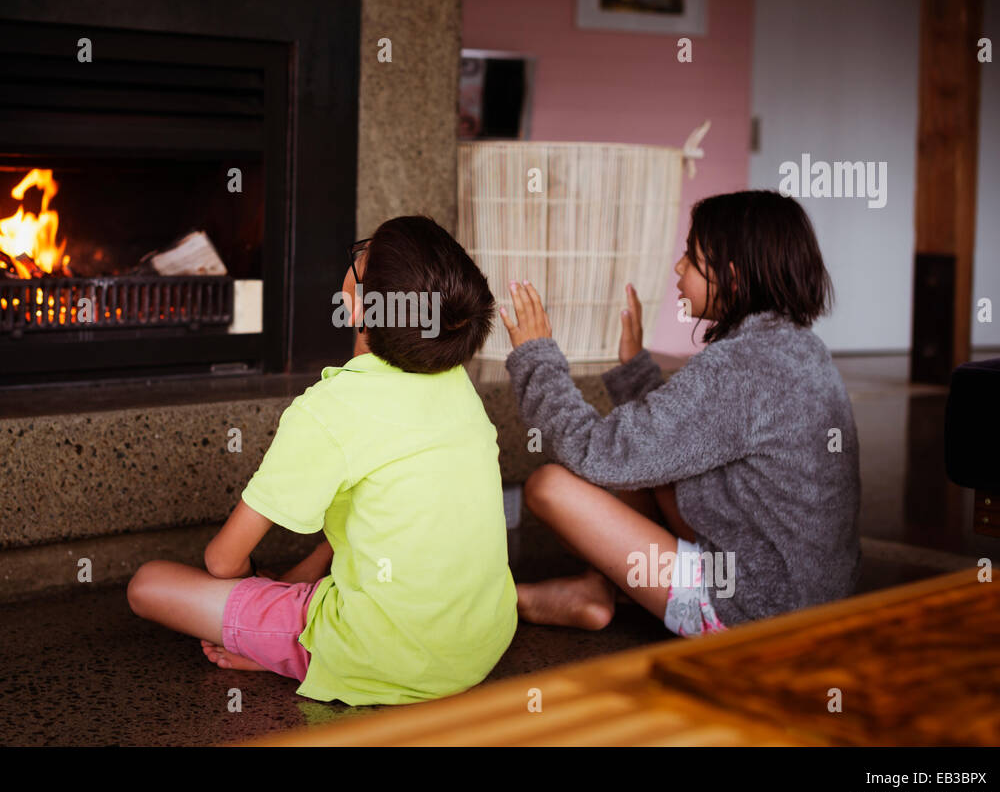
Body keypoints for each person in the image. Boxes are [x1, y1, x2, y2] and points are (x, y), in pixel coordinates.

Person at [128, 215, 518, 705]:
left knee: (148, 585)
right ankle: (283, 631)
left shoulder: (330, 408)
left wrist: (257, 611)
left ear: (362, 303)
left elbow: (222, 560)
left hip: (382, 653)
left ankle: (297, 649)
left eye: (362, 257)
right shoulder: (457, 386)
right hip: (481, 645)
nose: (353, 261)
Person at [500, 190, 861, 637]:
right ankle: (597, 590)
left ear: (729, 278)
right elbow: (685, 439)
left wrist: (535, 358)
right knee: (649, 470)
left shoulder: (740, 366)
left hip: (754, 613)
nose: (678, 267)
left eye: (691, 257)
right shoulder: (797, 348)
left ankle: (604, 591)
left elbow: (597, 452)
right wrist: (635, 372)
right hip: (809, 595)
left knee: (550, 486)